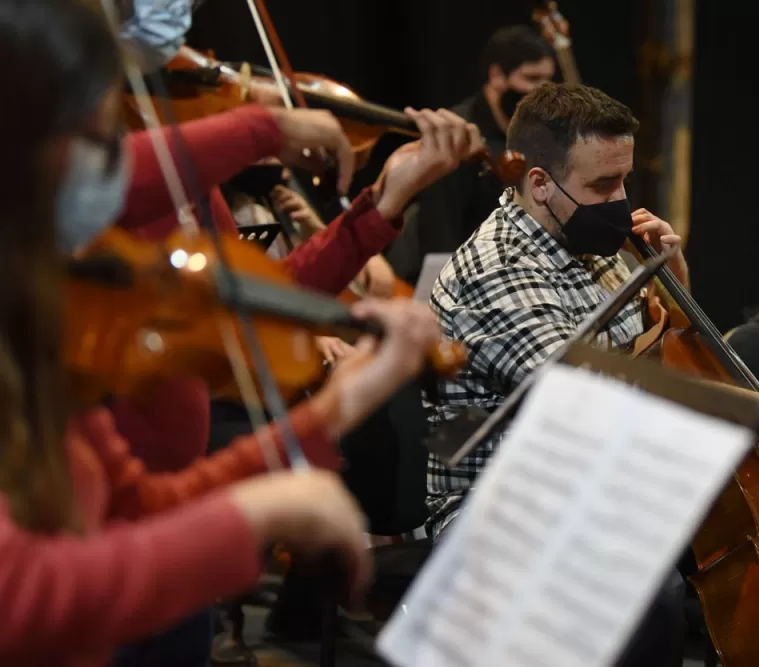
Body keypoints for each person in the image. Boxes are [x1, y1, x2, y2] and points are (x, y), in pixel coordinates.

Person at [0, 1, 447, 665]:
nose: (110, 166)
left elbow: (144, 502)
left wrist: (338, 405)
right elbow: (24, 594)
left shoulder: (33, 343)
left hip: (152, 574)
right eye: (93, 139)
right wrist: (260, 127)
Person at [424, 82, 759, 666]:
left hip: (591, 480)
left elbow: (656, 359)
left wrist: (673, 279)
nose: (623, 202)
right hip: (502, 504)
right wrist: (736, 406)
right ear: (539, 184)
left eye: (625, 180)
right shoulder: (497, 270)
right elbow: (579, 396)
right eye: (603, 185)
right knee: (651, 592)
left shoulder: (593, 247)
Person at [389, 25, 556, 283]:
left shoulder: (533, 132)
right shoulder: (458, 134)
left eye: (548, 80)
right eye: (532, 79)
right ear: (497, 75)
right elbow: (441, 231)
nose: (543, 92)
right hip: (455, 278)